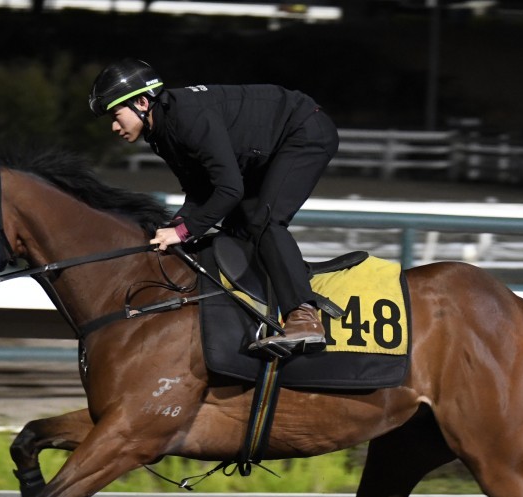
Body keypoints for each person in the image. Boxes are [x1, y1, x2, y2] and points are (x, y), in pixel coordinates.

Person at [88, 58, 339, 355]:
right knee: (236, 225)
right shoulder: (160, 134)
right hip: (265, 149)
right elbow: (199, 194)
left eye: (116, 115)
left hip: (303, 131)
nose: (115, 127)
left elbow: (230, 189)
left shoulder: (188, 118)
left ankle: (304, 317)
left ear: (142, 102)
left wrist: (183, 232)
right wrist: (173, 228)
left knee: (264, 221)